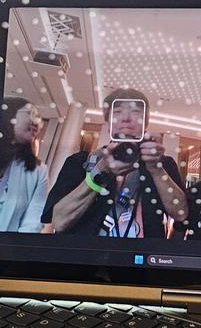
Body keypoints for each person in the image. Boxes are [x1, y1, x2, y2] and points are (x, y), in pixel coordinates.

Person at [41, 89, 189, 238]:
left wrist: (157, 171)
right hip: (88, 252)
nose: (126, 118)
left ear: (145, 122)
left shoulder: (163, 164)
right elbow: (59, 222)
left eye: (136, 112)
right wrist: (99, 171)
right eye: (117, 112)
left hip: (143, 252)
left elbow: (181, 215)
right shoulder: (80, 162)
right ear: (108, 121)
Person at [0, 97, 49, 232]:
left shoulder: (39, 171)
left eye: (38, 117)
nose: (37, 122)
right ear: (9, 116)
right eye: (30, 113)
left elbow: (33, 223)